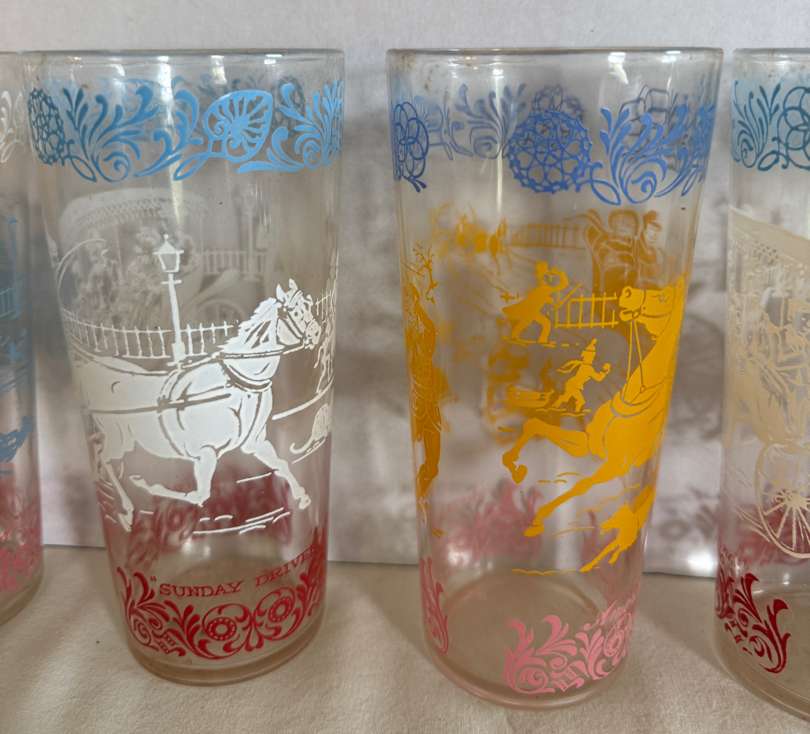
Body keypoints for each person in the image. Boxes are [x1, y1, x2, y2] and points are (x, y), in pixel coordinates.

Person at [502, 260, 568, 345]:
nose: (547, 280)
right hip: (531, 310)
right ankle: (538, 339)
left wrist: (550, 301)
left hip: (532, 310)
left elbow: (543, 298)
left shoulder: (542, 287)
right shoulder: (544, 288)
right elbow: (563, 285)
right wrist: (560, 274)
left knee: (537, 323)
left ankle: (517, 336)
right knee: (536, 323)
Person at [552, 338, 611, 412]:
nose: (592, 359)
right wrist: (604, 371)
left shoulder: (581, 364)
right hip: (573, 385)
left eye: (592, 357)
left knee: (571, 398)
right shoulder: (588, 368)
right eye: (591, 357)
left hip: (572, 384)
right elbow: (598, 378)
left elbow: (569, 365)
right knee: (576, 400)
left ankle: (563, 408)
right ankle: (560, 408)